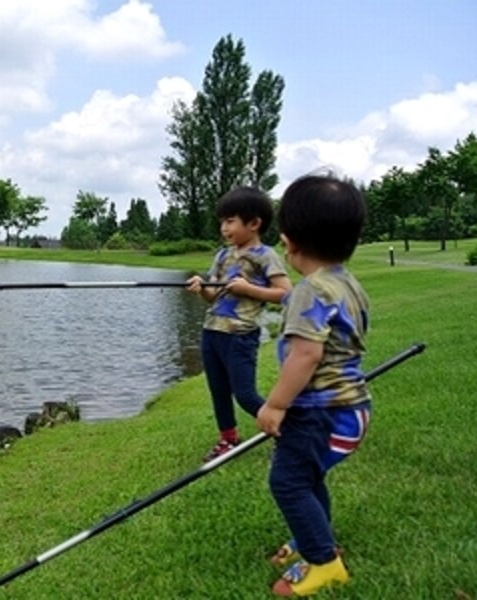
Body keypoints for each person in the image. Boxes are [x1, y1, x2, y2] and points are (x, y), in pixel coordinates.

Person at [255, 173, 370, 596]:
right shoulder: (347, 284)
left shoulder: (310, 291)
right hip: (350, 408)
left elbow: (307, 355)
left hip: (320, 413)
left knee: (287, 482)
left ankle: (324, 563)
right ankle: (311, 540)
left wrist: (275, 405)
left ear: (287, 241)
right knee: (307, 477)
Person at [187, 187, 291, 462]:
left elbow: (285, 294)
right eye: (222, 221)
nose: (224, 228)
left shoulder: (265, 255)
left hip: (240, 336)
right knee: (218, 391)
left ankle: (287, 432)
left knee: (244, 394)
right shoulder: (222, 256)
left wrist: (249, 289)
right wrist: (202, 287)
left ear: (254, 223)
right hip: (212, 333)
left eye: (230, 221)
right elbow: (213, 297)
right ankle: (228, 440)